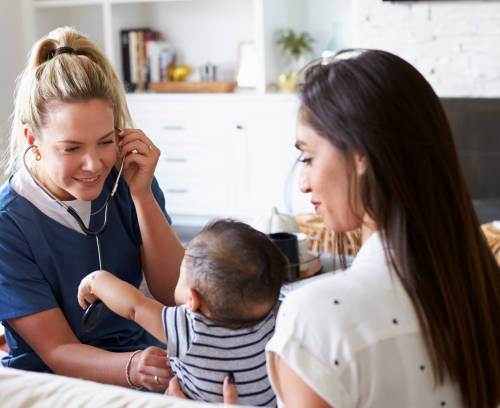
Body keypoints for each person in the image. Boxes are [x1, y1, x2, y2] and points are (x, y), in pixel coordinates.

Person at [262, 49, 500, 407]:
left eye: (309, 157)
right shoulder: (483, 290)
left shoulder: (316, 319)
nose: (303, 183)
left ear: (361, 156)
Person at [0, 26, 184, 391]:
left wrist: (143, 196)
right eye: (71, 148)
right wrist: (133, 367)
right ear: (32, 141)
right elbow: (57, 350)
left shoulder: (127, 181)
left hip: (141, 364)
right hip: (52, 384)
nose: (94, 164)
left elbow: (173, 292)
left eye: (105, 142)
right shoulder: (1, 227)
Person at [77, 219, 286, 406]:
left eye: (180, 274)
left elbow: (134, 306)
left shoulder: (189, 328)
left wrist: (97, 280)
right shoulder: (270, 319)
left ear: (193, 299)